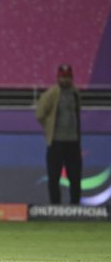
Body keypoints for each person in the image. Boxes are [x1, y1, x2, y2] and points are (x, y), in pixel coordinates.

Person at [35, 64, 82, 204]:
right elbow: (40, 114)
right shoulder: (51, 94)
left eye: (68, 77)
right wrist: (49, 127)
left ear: (72, 78)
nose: (65, 80)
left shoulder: (75, 93)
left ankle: (75, 207)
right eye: (63, 77)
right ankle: (55, 207)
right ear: (58, 77)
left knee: (75, 177)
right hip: (56, 142)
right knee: (54, 177)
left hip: (73, 142)